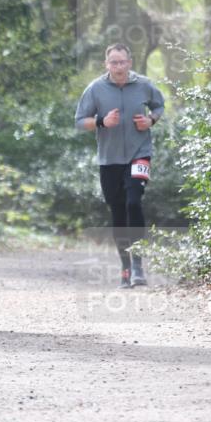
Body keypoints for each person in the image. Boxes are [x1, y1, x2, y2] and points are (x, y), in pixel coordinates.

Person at [75, 43, 165, 287]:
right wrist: (102, 121)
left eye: (122, 61)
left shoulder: (144, 84)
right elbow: (80, 122)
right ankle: (125, 268)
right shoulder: (95, 89)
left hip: (139, 154)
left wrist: (151, 120)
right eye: (113, 62)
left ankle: (138, 265)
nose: (118, 66)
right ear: (107, 64)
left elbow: (159, 105)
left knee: (134, 202)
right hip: (109, 159)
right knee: (117, 211)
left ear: (130, 62)